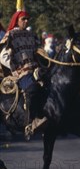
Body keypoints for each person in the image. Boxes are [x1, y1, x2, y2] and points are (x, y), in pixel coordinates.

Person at [0, 10, 47, 139]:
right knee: (32, 89)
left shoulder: (31, 35)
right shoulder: (11, 35)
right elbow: (2, 56)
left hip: (36, 69)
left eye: (27, 19)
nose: (26, 21)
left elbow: (39, 50)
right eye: (23, 19)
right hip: (22, 72)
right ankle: (30, 123)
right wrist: (15, 66)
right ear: (17, 20)